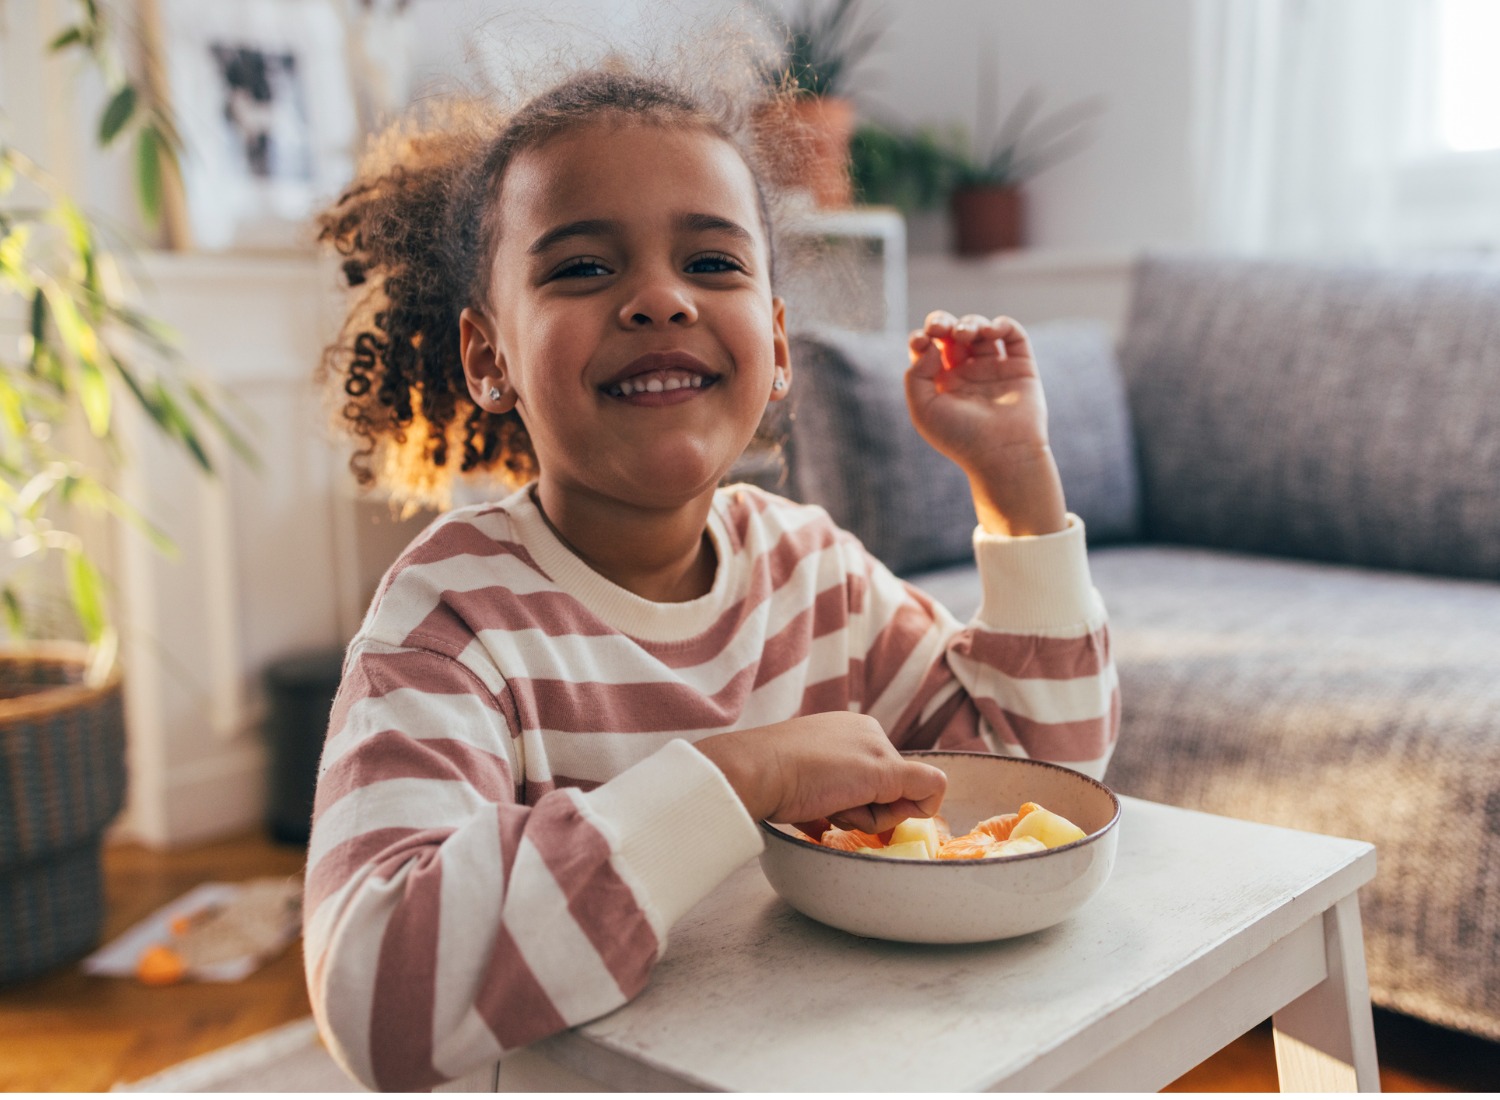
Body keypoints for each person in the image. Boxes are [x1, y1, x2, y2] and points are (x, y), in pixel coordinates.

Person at [304, 55, 1118, 1093]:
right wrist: (745, 774)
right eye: (583, 268)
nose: (658, 298)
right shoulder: (451, 620)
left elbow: (1040, 777)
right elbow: (378, 997)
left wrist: (1016, 488)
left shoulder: (811, 569)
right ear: (487, 354)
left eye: (714, 264)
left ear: (775, 341)